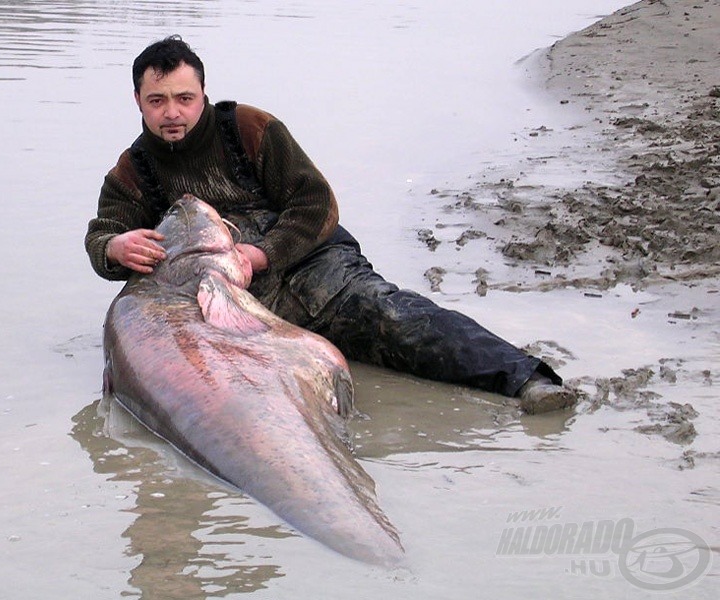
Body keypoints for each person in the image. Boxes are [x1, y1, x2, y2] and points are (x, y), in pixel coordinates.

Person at [85, 35, 576, 414]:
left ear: (203, 94)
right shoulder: (134, 170)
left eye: (184, 98)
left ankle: (527, 379)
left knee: (397, 320)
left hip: (319, 274)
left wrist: (262, 254)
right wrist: (114, 247)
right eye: (157, 101)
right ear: (137, 100)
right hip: (237, 306)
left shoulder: (250, 129)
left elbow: (317, 206)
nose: (173, 113)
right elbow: (100, 236)